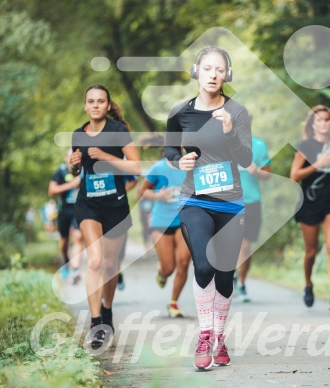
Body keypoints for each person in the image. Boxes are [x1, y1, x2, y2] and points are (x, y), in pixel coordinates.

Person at [165, 46, 252, 370]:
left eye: (220, 69)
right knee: (203, 266)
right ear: (196, 71)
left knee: (226, 276)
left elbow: (245, 159)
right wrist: (179, 159)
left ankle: (219, 337)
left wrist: (229, 132)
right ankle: (204, 335)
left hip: (230, 203)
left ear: (227, 74)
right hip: (194, 200)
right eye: (208, 68)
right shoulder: (179, 112)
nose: (213, 74)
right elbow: (170, 150)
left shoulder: (237, 111)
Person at [69, 84, 141, 349]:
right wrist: (74, 165)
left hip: (116, 206)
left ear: (108, 106)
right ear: (85, 106)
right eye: (91, 101)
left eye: (101, 101)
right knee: (95, 261)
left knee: (111, 265)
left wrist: (107, 157)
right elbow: (76, 170)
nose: (95, 105)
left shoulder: (118, 131)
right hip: (88, 204)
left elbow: (136, 166)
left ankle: (107, 309)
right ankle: (97, 323)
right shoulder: (78, 134)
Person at [290, 105, 330, 311]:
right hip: (309, 203)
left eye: (327, 119)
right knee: (311, 252)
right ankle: (308, 284)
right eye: (319, 120)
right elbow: (294, 176)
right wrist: (317, 164)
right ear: (313, 124)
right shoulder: (305, 146)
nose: (323, 123)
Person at [137, 139, 191, 318]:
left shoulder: (192, 166)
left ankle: (173, 303)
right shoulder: (158, 168)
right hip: (162, 222)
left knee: (183, 262)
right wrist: (159, 196)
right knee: (169, 268)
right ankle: (162, 271)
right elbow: (141, 193)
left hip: (184, 219)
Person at [235, 136, 271, 302]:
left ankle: (241, 283)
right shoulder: (219, 142)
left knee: (245, 246)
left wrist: (256, 171)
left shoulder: (258, 144)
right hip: (225, 201)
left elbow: (267, 174)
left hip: (251, 201)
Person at [49, 148, 84, 283]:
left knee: (78, 237)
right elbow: (51, 191)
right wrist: (70, 185)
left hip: (79, 209)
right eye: (70, 156)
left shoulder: (84, 170)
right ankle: (65, 260)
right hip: (65, 210)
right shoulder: (60, 171)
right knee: (64, 241)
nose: (72, 159)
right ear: (65, 158)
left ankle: (76, 270)